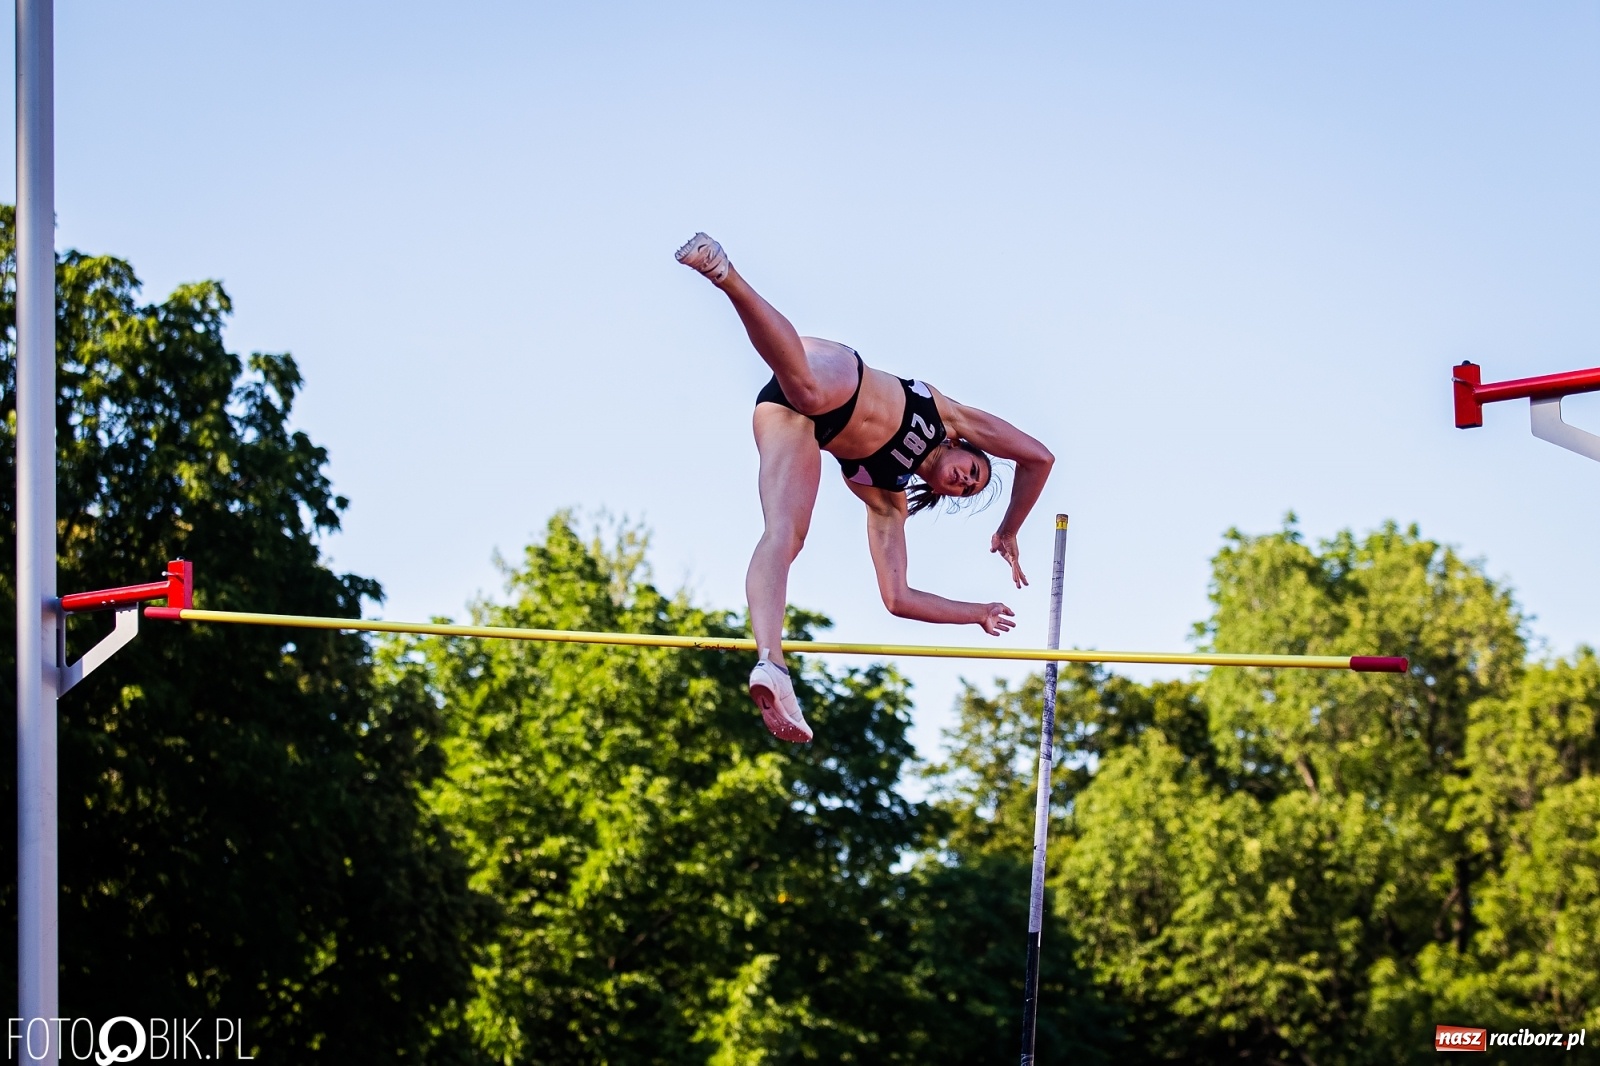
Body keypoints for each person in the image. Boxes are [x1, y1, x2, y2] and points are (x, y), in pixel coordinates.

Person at [675, 233, 1055, 744]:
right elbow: (1038, 457)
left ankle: (771, 662)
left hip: (798, 421)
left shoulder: (886, 497)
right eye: (974, 470)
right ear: (966, 445)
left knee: (785, 535)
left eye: (967, 491)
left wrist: (977, 614)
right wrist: (1009, 528)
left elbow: (896, 598)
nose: (967, 480)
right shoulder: (948, 415)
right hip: (830, 370)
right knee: (807, 387)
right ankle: (726, 275)